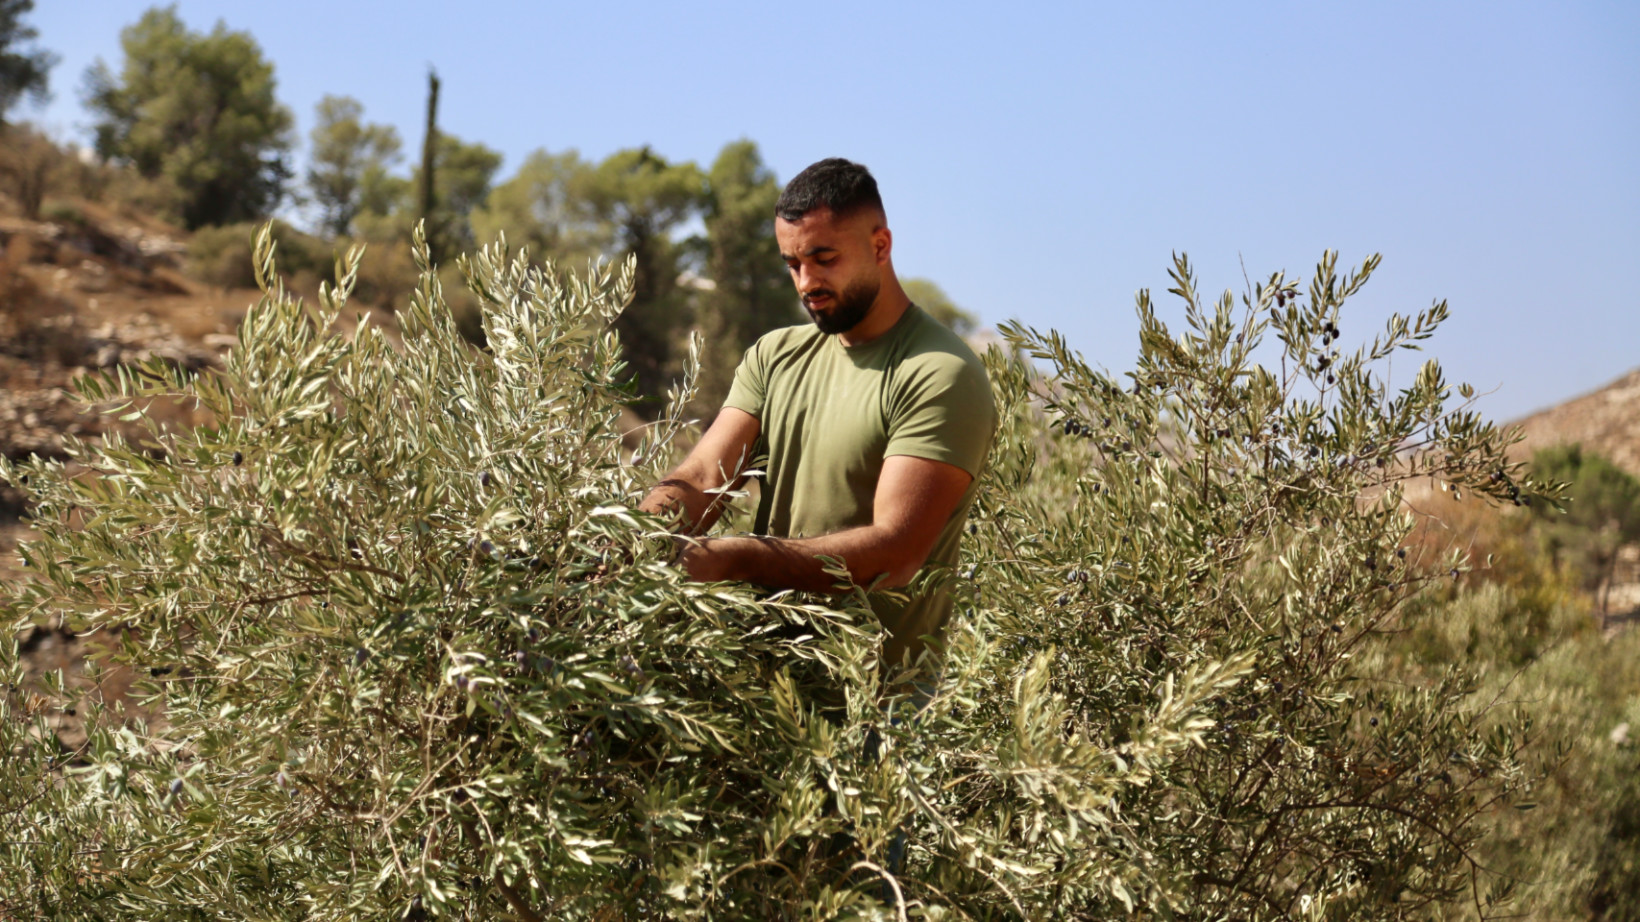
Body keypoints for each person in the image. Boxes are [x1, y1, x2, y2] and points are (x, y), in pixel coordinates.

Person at [638, 157, 996, 675]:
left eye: (823, 258)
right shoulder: (775, 356)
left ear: (880, 245)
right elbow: (701, 479)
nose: (806, 282)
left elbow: (895, 552)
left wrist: (734, 556)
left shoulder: (939, 372)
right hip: (768, 699)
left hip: (880, 717)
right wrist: (630, 540)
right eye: (792, 264)